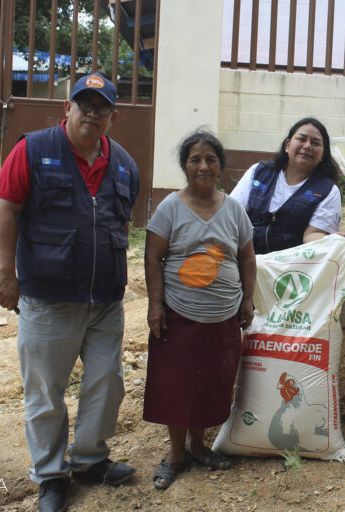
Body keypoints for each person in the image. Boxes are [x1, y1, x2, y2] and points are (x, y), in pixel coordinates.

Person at [0, 72, 139, 512]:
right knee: (45, 392)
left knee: (106, 384)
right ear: (67, 108)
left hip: (105, 301)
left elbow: (122, 225)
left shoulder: (125, 163)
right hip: (49, 298)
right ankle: (51, 476)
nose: (92, 114)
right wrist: (5, 273)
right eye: (84, 105)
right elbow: (5, 207)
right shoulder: (33, 149)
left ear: (113, 116)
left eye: (101, 108)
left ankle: (90, 459)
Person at [143, 130, 256, 490]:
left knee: (211, 384)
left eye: (210, 159)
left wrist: (248, 298)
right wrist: (155, 304)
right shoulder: (170, 208)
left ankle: (198, 446)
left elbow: (247, 256)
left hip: (222, 317)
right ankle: (176, 453)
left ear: (221, 166)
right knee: (176, 385)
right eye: (195, 159)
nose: (203, 165)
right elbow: (152, 257)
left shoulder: (234, 209)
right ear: (185, 166)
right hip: (179, 316)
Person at [229, 117, 342, 254]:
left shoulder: (327, 190)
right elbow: (232, 215)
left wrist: (331, 240)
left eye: (315, 143)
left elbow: (312, 234)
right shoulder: (259, 172)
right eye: (301, 139)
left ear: (323, 154)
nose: (307, 146)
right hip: (247, 259)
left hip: (290, 268)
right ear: (287, 145)